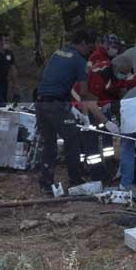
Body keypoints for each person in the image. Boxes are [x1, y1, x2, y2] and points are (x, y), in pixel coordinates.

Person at [35, 30, 96, 194]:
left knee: (49, 144)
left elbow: (54, 79)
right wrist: (85, 115)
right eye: (89, 48)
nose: (89, 52)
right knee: (72, 140)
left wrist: (70, 106)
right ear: (83, 42)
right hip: (57, 106)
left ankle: (46, 183)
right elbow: (84, 92)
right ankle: (75, 179)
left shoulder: (58, 53)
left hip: (41, 102)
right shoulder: (79, 60)